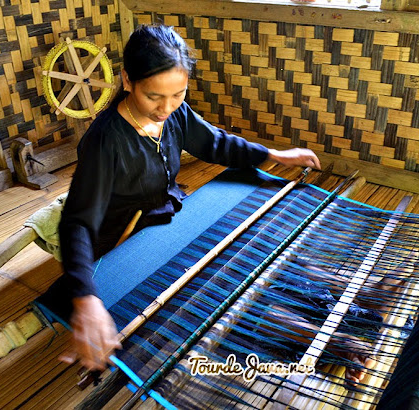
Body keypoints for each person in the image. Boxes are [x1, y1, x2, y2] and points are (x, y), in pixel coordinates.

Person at [39, 24, 321, 372]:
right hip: (126, 238)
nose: (166, 108)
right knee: (215, 288)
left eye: (178, 94)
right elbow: (78, 222)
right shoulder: (105, 141)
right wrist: (86, 300)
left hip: (171, 216)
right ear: (127, 81)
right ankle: (312, 334)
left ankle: (329, 300)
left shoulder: (175, 115)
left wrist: (274, 154)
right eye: (154, 96)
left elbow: (215, 143)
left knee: (252, 248)